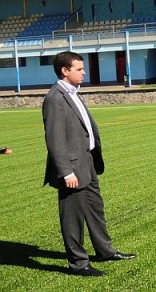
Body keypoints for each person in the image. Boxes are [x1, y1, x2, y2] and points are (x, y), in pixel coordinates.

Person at [42, 51, 135, 277]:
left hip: (88, 161)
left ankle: (105, 251)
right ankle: (78, 264)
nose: (84, 73)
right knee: (72, 218)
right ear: (65, 71)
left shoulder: (73, 93)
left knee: (95, 209)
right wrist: (65, 172)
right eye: (79, 69)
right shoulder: (55, 99)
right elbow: (54, 140)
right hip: (71, 168)